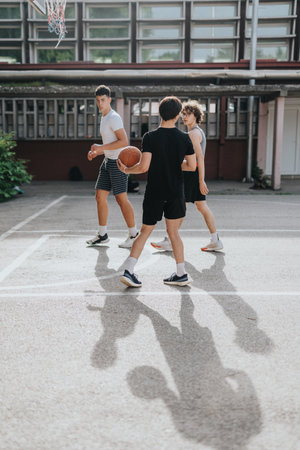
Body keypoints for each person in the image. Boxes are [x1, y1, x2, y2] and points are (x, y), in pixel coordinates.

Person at [117, 96, 196, 287]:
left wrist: (126, 170)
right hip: (175, 191)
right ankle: (181, 273)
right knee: (174, 233)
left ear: (159, 114)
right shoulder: (185, 138)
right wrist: (174, 165)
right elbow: (192, 166)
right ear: (177, 116)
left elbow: (143, 167)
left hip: (155, 191)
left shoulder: (150, 137)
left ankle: (129, 270)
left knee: (144, 231)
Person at [151, 100, 223, 252]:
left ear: (196, 116)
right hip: (192, 172)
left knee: (181, 206)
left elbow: (200, 158)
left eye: (188, 114)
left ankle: (170, 240)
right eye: (183, 114)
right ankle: (215, 239)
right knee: (197, 206)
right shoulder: (194, 132)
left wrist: (201, 179)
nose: (185, 116)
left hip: (192, 173)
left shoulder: (194, 134)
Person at [86, 85, 138, 248]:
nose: (100, 104)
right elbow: (110, 143)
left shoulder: (114, 117)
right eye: (98, 101)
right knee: (99, 197)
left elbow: (124, 142)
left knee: (121, 199)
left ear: (109, 100)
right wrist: (98, 150)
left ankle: (134, 234)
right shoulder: (104, 117)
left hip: (118, 163)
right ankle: (102, 234)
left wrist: (101, 148)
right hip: (107, 161)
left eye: (103, 100)